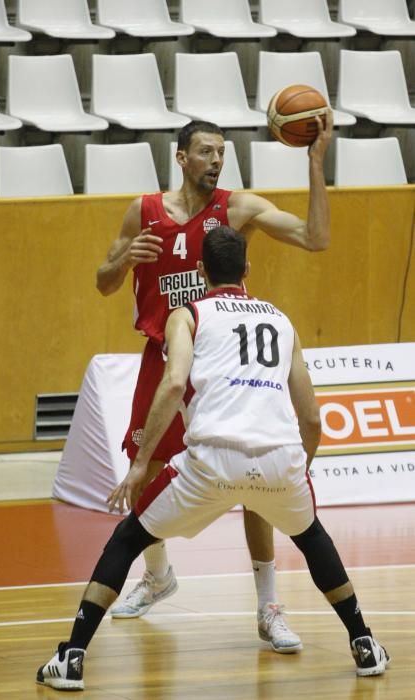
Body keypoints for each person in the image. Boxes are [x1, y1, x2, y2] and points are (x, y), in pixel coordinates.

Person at [37, 226, 389, 691]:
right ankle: (363, 642)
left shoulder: (189, 315)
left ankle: (73, 657)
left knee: (127, 539)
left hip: (211, 461)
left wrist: (141, 464)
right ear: (247, 270)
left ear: (201, 272)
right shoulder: (281, 320)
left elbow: (172, 384)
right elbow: (312, 419)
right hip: (281, 459)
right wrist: (297, 470)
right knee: (312, 538)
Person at [95, 116, 332, 651]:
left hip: (222, 360)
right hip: (165, 356)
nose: (215, 160)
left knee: (255, 484)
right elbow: (104, 283)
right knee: (148, 471)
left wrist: (315, 163)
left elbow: (316, 238)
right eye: (205, 152)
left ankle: (269, 605)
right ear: (181, 158)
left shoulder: (237, 208)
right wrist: (122, 261)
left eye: (221, 152)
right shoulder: (145, 211)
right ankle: (157, 577)